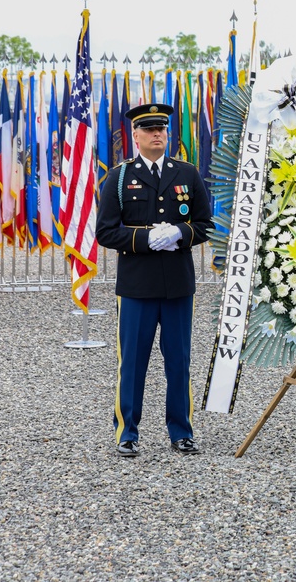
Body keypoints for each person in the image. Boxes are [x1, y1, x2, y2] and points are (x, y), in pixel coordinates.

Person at [96, 103, 213, 456]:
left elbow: (205, 224)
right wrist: (145, 239)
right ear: (135, 135)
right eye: (149, 129)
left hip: (177, 284)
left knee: (179, 361)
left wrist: (179, 233)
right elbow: (105, 232)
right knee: (132, 362)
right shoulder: (118, 178)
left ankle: (181, 431)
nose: (157, 134)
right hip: (136, 286)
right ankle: (127, 433)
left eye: (161, 128)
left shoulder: (187, 174)